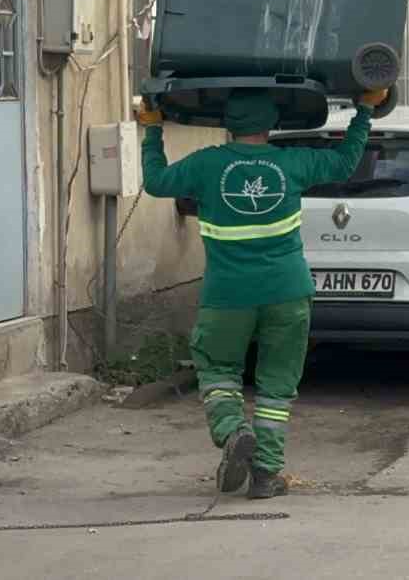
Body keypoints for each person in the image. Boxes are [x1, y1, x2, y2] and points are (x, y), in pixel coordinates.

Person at [137, 86, 388, 497]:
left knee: (218, 370)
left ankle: (233, 430)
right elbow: (345, 163)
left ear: (227, 124)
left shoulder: (206, 164)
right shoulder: (292, 163)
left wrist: (152, 129)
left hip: (227, 295)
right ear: (271, 124)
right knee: (276, 386)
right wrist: (363, 110)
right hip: (287, 292)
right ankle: (266, 474)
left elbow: (157, 181)